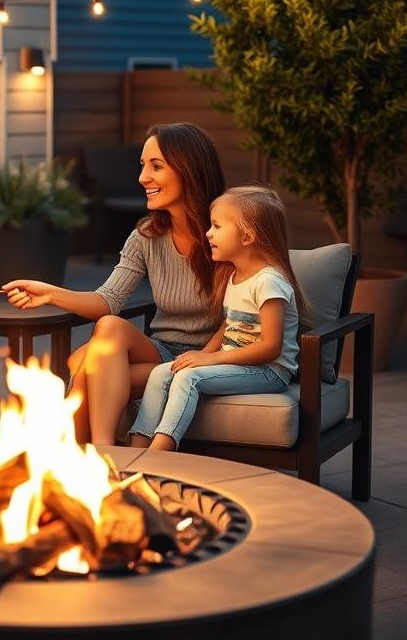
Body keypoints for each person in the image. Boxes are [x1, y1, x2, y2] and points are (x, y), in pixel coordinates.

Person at [3, 122, 226, 445]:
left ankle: (89, 454)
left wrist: (202, 359)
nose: (142, 178)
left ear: (189, 170)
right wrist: (49, 293)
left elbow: (242, 311)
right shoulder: (146, 236)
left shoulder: (225, 233)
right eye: (142, 166)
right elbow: (108, 300)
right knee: (108, 327)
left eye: (156, 166)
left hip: (208, 357)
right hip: (159, 352)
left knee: (84, 362)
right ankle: (100, 452)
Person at [128, 186, 305, 450]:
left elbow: (271, 347)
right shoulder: (234, 276)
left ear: (247, 236)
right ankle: (136, 450)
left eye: (217, 227)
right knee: (163, 372)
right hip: (238, 365)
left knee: (189, 378)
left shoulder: (269, 282)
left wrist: (209, 359)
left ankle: (157, 457)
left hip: (269, 372)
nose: (208, 233)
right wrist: (199, 356)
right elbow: (228, 326)